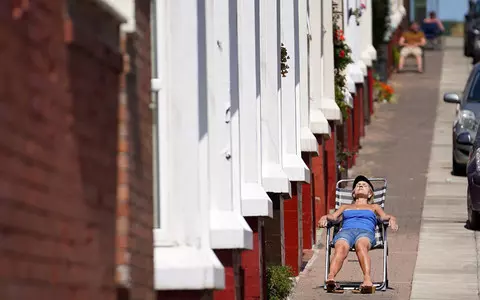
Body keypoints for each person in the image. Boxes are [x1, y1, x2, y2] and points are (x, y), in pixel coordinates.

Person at [318, 175, 399, 293]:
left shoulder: (374, 207)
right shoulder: (345, 206)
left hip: (365, 233)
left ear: (370, 194)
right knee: (340, 247)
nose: (360, 186)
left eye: (364, 185)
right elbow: (334, 217)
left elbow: (385, 217)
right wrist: (324, 217)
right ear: (353, 193)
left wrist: (392, 219)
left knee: (361, 245)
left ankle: (367, 279)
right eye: (358, 185)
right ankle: (331, 278)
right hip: (346, 231)